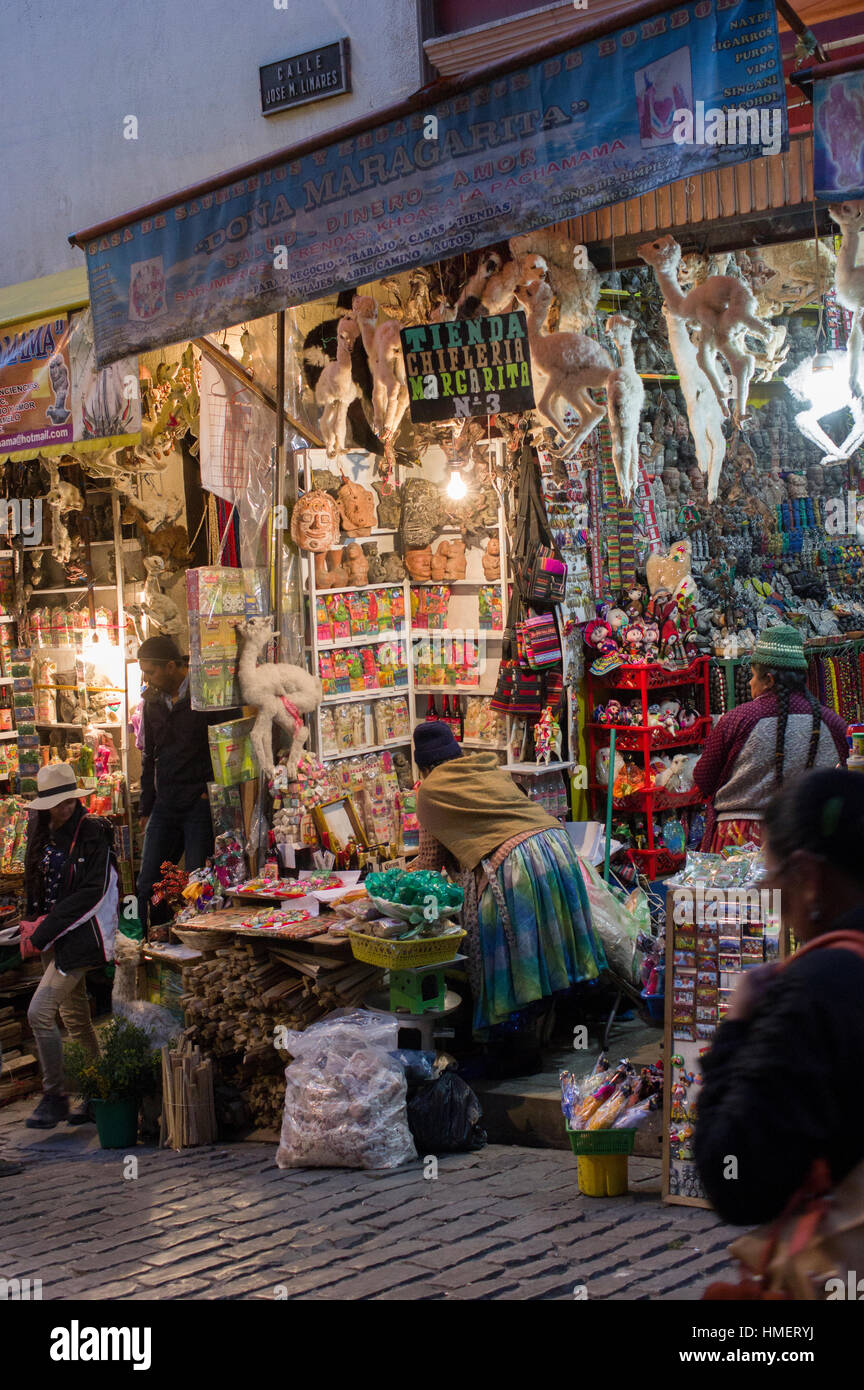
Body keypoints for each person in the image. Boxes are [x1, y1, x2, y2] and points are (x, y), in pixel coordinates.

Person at [694, 768, 864, 1226]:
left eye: (773, 884)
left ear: (808, 878)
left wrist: (738, 1028)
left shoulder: (816, 988)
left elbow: (734, 1177)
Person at [409, 722, 606, 1029]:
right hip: (555, 847)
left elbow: (428, 865)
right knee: (552, 944)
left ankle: (514, 1039)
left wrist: (393, 881)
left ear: (422, 766)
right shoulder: (483, 770)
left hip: (516, 862)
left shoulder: (431, 791)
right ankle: (562, 1025)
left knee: (513, 957)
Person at [23, 764, 119, 1129]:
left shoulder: (92, 832)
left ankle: (54, 1095)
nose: (61, 809)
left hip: (76, 939)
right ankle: (100, 1094)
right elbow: (36, 877)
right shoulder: (42, 829)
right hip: (52, 935)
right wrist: (31, 921)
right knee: (76, 1019)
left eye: (66, 802)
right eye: (54, 803)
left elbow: (90, 893)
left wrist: (43, 930)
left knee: (39, 1013)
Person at [693, 625, 847, 851]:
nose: (749, 683)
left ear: (769, 680)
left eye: (753, 675)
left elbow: (703, 779)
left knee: (754, 889)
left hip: (740, 841)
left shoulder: (738, 719)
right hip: (806, 840)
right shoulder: (832, 723)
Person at [136, 636, 236, 934]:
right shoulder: (152, 702)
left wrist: (213, 792)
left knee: (197, 882)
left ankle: (195, 946)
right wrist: (146, 806)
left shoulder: (206, 692)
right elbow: (149, 756)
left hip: (199, 802)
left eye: (150, 671)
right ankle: (148, 943)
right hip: (165, 802)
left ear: (170, 666)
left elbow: (229, 742)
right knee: (148, 882)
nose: (146, 678)